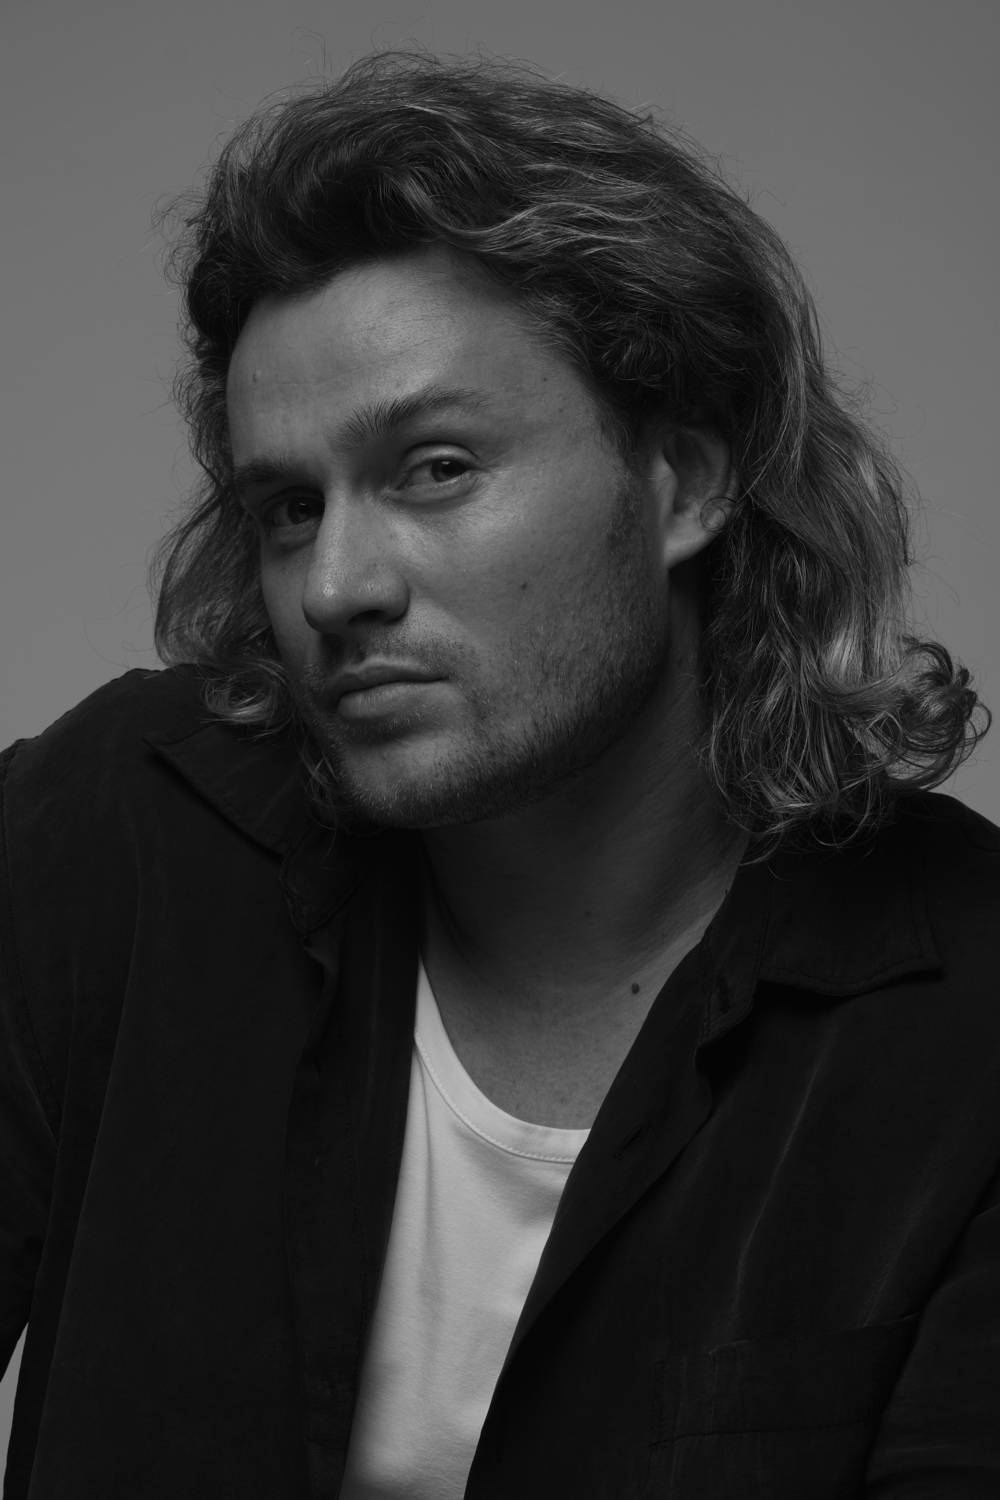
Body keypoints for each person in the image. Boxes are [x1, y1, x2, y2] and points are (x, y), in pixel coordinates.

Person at [0, 49, 996, 1500]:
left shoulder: (965, 1017)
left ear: (685, 482)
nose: (335, 586)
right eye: (289, 507)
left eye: (437, 468)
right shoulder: (122, 836)